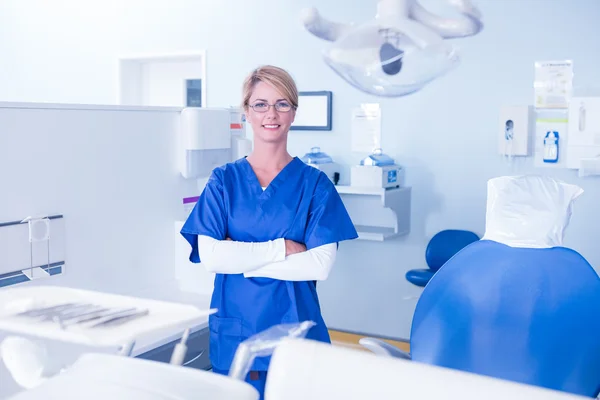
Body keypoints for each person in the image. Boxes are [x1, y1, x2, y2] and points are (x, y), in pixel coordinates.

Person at [180, 65, 358, 398]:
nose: (271, 114)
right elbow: (212, 257)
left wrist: (240, 258)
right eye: (260, 104)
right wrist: (283, 247)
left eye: (282, 104)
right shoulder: (224, 181)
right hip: (237, 331)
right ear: (246, 112)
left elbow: (319, 265)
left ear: (293, 113)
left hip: (297, 330)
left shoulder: (315, 184)